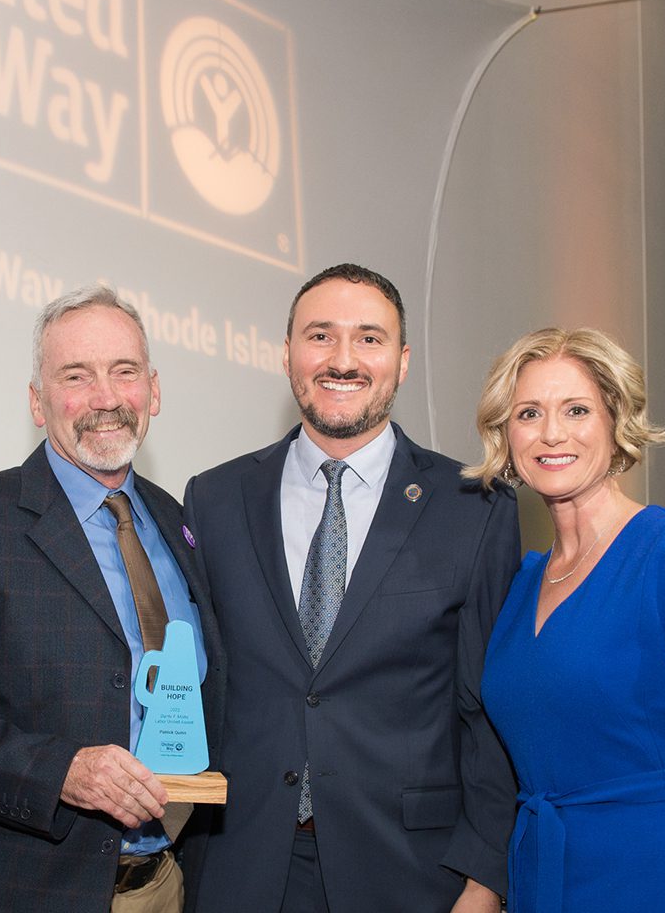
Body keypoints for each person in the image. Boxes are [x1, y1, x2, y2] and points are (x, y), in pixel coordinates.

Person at [183, 263, 521, 913]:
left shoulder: (473, 507)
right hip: (240, 865)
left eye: (368, 338)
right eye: (320, 336)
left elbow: (490, 711)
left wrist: (486, 876)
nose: (343, 359)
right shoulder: (215, 498)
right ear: (287, 355)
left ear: (401, 359)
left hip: (413, 872)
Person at [0, 284, 224, 913]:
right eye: (76, 375)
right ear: (37, 401)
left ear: (152, 390)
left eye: (123, 372)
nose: (106, 399)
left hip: (165, 885)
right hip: (16, 891)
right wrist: (63, 771)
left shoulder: (180, 524)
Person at [465, 327, 665, 913]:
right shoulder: (521, 581)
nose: (551, 433)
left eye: (577, 410)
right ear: (505, 436)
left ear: (616, 422)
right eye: (529, 413)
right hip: (539, 872)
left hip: (652, 874)